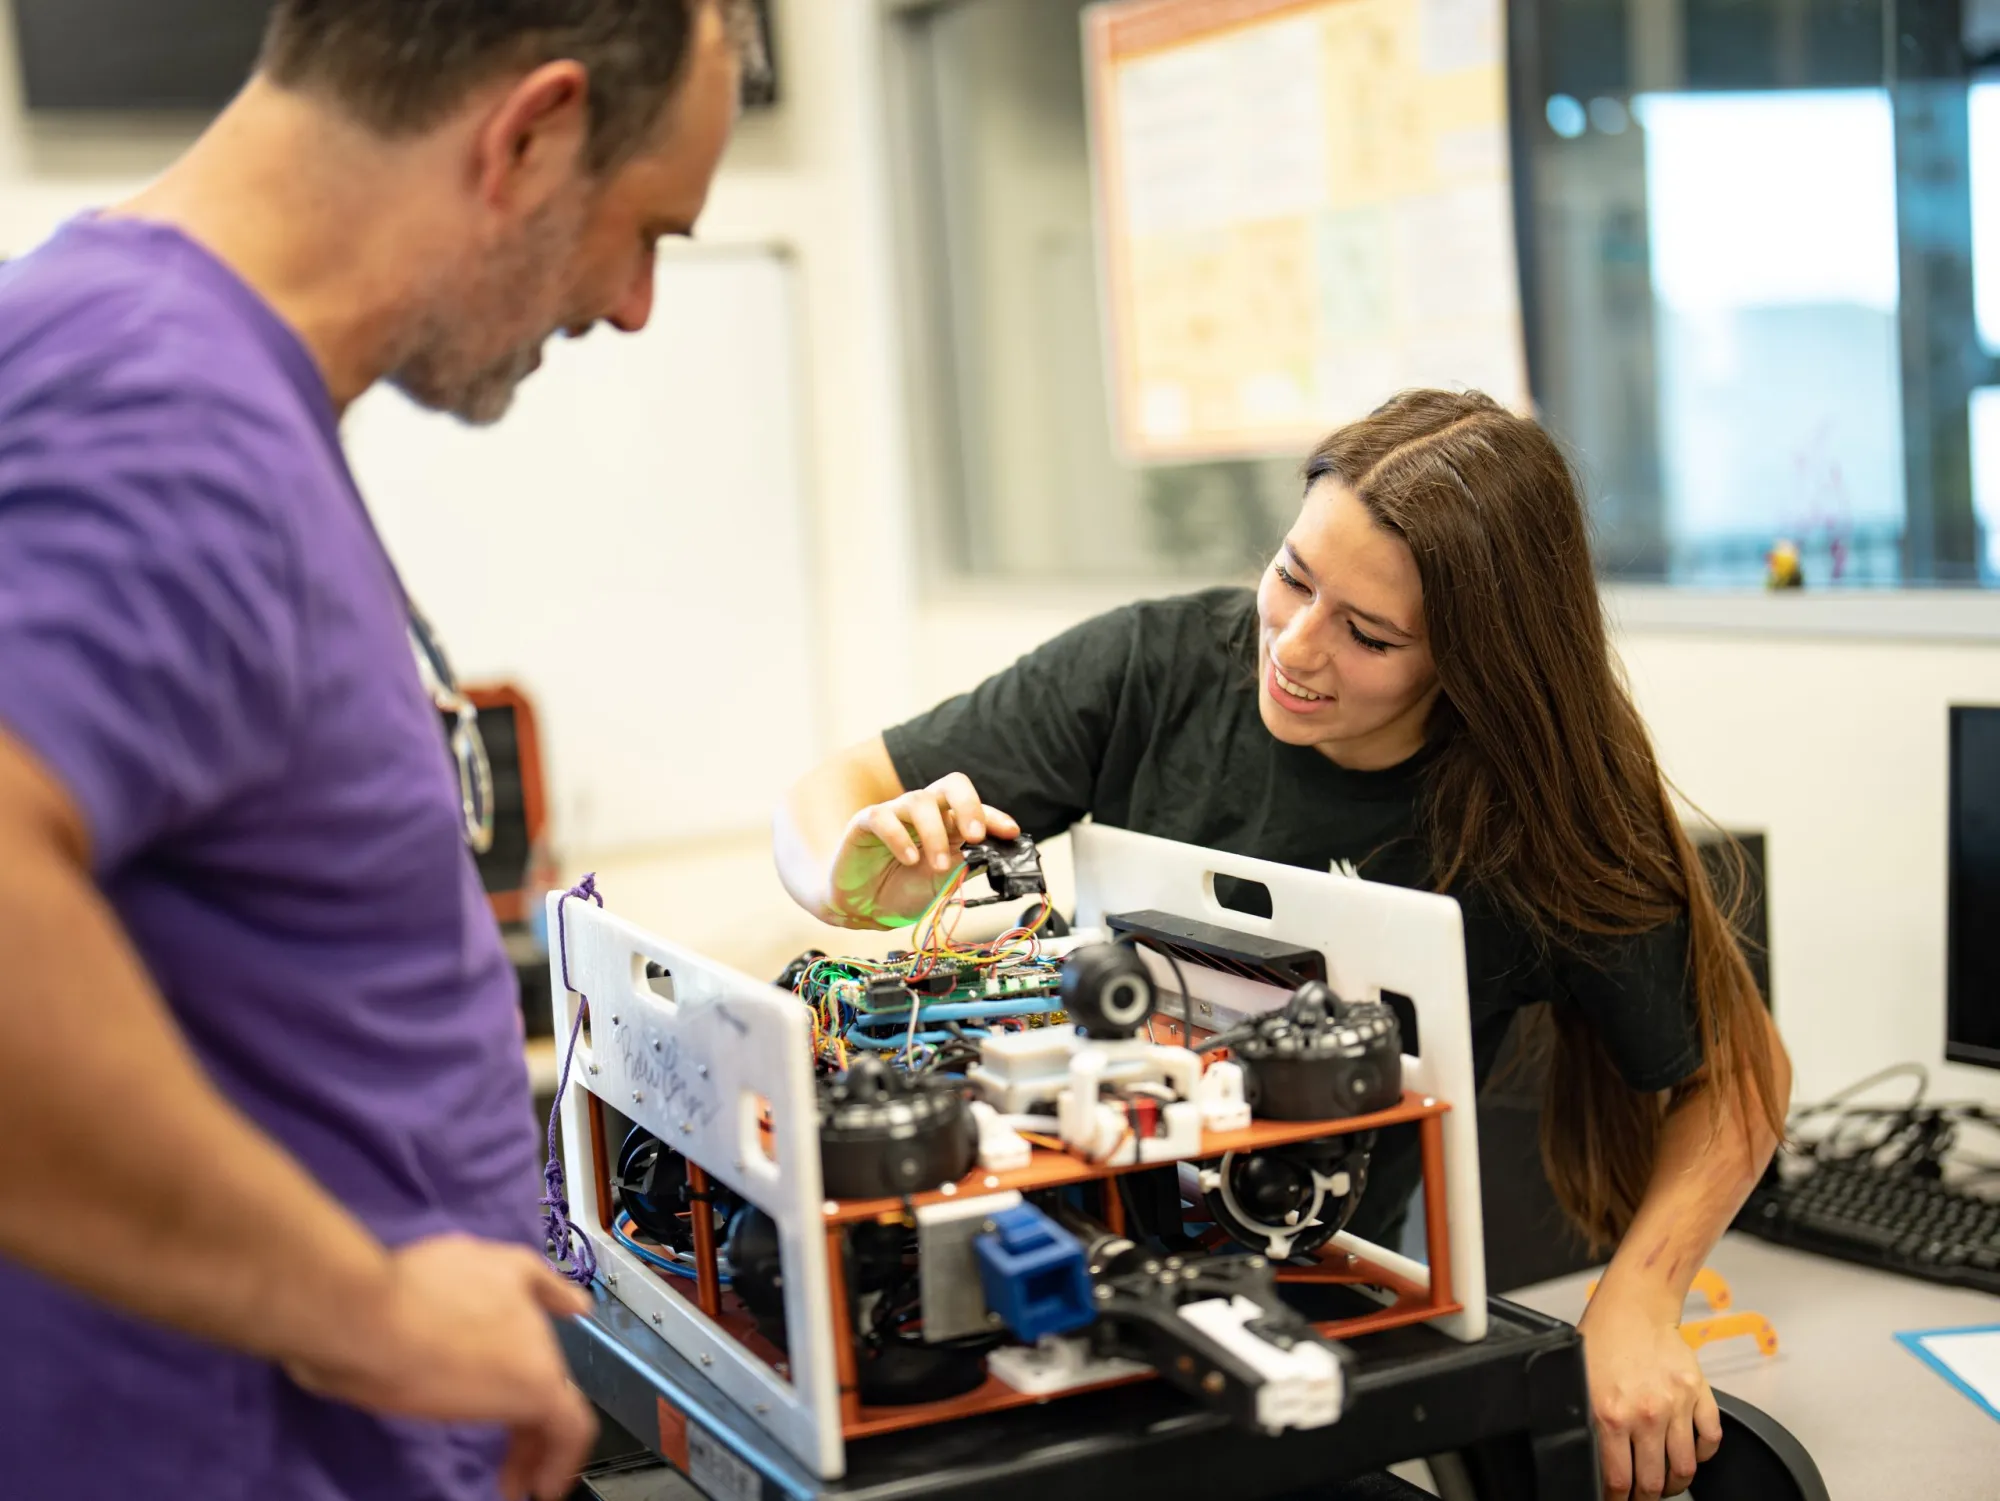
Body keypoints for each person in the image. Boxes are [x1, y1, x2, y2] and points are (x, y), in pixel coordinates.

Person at [0, 4, 761, 1499]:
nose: (634, 307)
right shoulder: (159, 413)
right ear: (532, 133)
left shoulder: (188, 377)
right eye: (647, 231)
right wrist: (367, 1306)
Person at [774, 389, 1793, 1501]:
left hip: (1320, 1319)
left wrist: (1637, 1300)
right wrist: (848, 867)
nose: (1296, 648)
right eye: (1291, 575)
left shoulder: (1539, 810)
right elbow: (833, 789)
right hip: (1068, 1279)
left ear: (1474, 661)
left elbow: (1736, 1079)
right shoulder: (1156, 669)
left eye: (1368, 634)